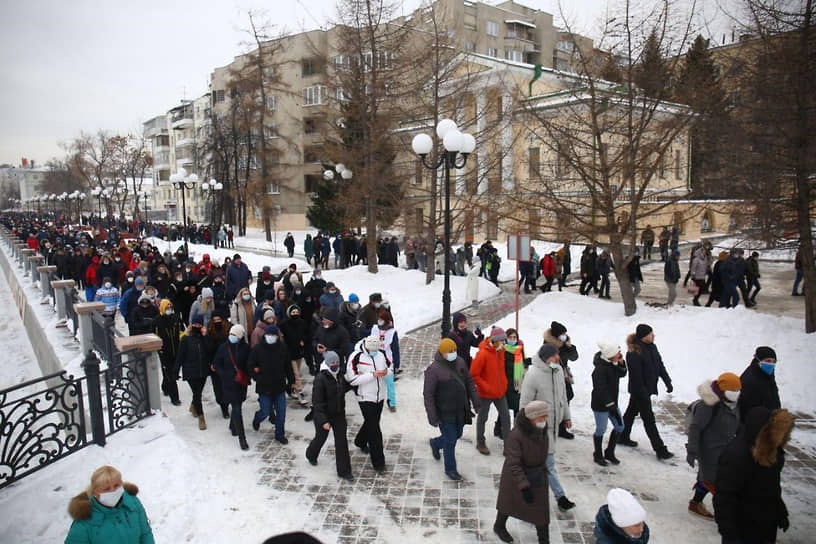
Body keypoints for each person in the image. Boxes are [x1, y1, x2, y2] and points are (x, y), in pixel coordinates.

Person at [714, 407, 794, 544]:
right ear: (765, 433)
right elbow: (724, 497)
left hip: (766, 526)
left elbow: (772, 487)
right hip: (742, 529)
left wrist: (780, 511)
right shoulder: (736, 455)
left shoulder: (772, 452)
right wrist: (729, 532)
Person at [520, 343, 575, 511]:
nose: (557, 358)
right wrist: (527, 425)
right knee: (549, 464)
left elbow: (563, 396)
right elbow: (524, 403)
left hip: (554, 425)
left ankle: (526, 490)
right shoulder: (533, 375)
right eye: (554, 355)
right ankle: (560, 497)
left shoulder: (558, 372)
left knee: (540, 465)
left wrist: (566, 416)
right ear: (546, 358)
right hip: (540, 427)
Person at [493, 400, 552, 544]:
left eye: (545, 417)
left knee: (541, 509)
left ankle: (544, 540)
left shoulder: (541, 429)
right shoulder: (516, 435)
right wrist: (524, 485)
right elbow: (514, 463)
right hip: (516, 477)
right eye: (541, 417)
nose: (543, 420)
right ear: (531, 417)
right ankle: (499, 526)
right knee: (509, 503)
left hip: (537, 475)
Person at [685, 372, 741, 519]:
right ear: (723, 390)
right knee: (715, 482)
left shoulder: (733, 404)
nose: (736, 394)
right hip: (709, 451)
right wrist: (692, 451)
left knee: (708, 479)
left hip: (726, 449)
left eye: (738, 390)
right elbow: (695, 428)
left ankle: (696, 503)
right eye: (732, 390)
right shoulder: (709, 405)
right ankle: (726, 514)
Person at [424, 338, 481, 481]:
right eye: (450, 351)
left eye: (455, 350)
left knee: (457, 434)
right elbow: (428, 395)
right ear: (442, 353)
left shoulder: (460, 362)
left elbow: (469, 382)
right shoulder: (433, 370)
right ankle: (450, 469)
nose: (453, 353)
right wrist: (432, 416)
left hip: (460, 409)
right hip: (444, 412)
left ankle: (436, 443)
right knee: (450, 440)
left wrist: (476, 401)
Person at [619, 324, 674, 460]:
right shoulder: (634, 352)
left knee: (631, 412)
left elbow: (659, 365)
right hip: (640, 391)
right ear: (644, 336)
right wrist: (643, 393)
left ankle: (622, 436)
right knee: (649, 419)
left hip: (647, 389)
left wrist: (667, 381)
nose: (653, 335)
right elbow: (636, 377)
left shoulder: (652, 347)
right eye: (650, 334)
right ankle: (660, 449)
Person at [65, 465, 154, 544]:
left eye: (116, 486)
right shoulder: (84, 523)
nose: (113, 491)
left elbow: (145, 534)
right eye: (106, 489)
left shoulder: (132, 503)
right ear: (95, 492)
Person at [345, 335, 391, 472]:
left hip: (380, 395)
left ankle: (360, 441)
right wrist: (373, 375)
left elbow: (391, 367)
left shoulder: (381, 354)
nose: (374, 352)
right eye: (372, 350)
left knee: (372, 422)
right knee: (375, 431)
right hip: (365, 397)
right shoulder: (356, 357)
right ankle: (379, 463)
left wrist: (386, 372)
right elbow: (352, 380)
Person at [305, 351, 353, 479]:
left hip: (338, 414)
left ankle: (344, 471)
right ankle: (311, 454)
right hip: (324, 415)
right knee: (321, 438)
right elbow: (317, 402)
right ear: (326, 363)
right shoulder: (320, 379)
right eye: (332, 363)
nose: (335, 365)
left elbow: (343, 388)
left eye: (337, 362)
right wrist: (323, 421)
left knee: (341, 441)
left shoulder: (340, 375)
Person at [249, 324, 294, 444]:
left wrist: (291, 380)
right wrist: (257, 377)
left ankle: (279, 434)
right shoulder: (258, 349)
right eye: (269, 335)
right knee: (265, 410)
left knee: (281, 413)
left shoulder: (282, 348)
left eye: (273, 335)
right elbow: (250, 365)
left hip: (279, 386)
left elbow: (287, 365)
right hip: (264, 387)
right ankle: (257, 418)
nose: (271, 337)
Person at [470, 327, 511, 455]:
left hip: (500, 392)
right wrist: (486, 387)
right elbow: (474, 374)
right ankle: (480, 442)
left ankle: (508, 445)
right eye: (503, 341)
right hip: (486, 393)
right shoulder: (483, 354)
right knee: (483, 417)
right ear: (495, 341)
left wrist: (504, 384)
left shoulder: (501, 351)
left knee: (506, 417)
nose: (504, 343)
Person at [213, 324, 252, 450]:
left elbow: (249, 364)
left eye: (235, 335)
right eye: (231, 334)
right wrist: (223, 374)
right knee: (236, 408)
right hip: (228, 383)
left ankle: (232, 425)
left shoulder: (246, 348)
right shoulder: (223, 348)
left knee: (238, 405)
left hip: (240, 383)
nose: (232, 337)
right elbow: (216, 363)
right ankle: (242, 438)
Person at [591, 341, 627, 466]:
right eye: (618, 353)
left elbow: (622, 373)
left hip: (612, 403)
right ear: (611, 354)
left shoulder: (613, 364)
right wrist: (610, 405)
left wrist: (622, 363)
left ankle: (610, 452)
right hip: (601, 405)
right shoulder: (600, 369)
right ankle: (598, 454)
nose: (620, 354)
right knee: (601, 429)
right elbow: (601, 389)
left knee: (620, 427)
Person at [174, 313, 211, 430]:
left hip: (203, 370)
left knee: (198, 392)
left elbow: (209, 350)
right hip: (190, 370)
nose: (197, 326)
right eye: (195, 324)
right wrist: (176, 371)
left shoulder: (204, 337)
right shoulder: (185, 339)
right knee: (197, 393)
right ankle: (201, 417)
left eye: (199, 324)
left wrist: (205, 336)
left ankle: (193, 405)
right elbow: (180, 356)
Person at [542, 321, 578, 439]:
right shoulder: (548, 345)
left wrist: (569, 346)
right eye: (562, 333)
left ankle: (561, 426)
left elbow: (574, 357)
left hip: (563, 375)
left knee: (567, 396)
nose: (564, 335)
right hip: (551, 375)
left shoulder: (565, 343)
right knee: (553, 401)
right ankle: (549, 425)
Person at [494, 328, 528, 439]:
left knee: (517, 408)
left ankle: (516, 431)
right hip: (505, 383)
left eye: (514, 337)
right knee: (505, 409)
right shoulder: (502, 350)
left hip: (517, 384)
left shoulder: (520, 349)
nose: (512, 339)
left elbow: (523, 364)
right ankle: (499, 428)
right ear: (506, 338)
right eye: (510, 337)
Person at [737, 346, 780, 422]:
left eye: (774, 362)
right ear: (758, 360)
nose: (771, 364)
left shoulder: (768, 375)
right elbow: (748, 411)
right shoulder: (749, 380)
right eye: (768, 361)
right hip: (757, 427)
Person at [154, 299, 184, 406]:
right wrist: (159, 349)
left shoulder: (176, 318)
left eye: (170, 308)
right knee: (170, 375)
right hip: (165, 351)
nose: (169, 310)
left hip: (176, 350)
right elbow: (155, 335)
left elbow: (181, 331)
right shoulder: (157, 321)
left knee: (171, 372)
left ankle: (165, 386)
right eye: (167, 308)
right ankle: (174, 397)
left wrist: (181, 342)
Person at [370, 308, 400, 411]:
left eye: (381, 319)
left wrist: (396, 364)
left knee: (390, 383)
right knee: (374, 381)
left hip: (388, 360)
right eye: (378, 319)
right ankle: (373, 400)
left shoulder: (392, 332)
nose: (379, 321)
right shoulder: (375, 328)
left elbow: (395, 349)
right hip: (375, 357)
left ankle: (392, 402)